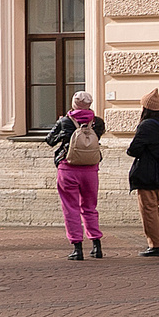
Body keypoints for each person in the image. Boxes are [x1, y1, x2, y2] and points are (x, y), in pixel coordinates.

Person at [45, 90, 105, 261]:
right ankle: (96, 245)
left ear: (74, 104)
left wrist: (61, 129)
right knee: (90, 207)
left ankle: (77, 248)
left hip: (68, 168)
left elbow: (50, 140)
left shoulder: (65, 121)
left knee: (70, 208)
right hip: (91, 169)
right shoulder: (97, 122)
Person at [126, 88, 159, 258]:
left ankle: (156, 245)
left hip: (147, 174)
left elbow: (134, 149)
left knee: (148, 211)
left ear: (145, 108)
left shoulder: (147, 125)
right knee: (155, 208)